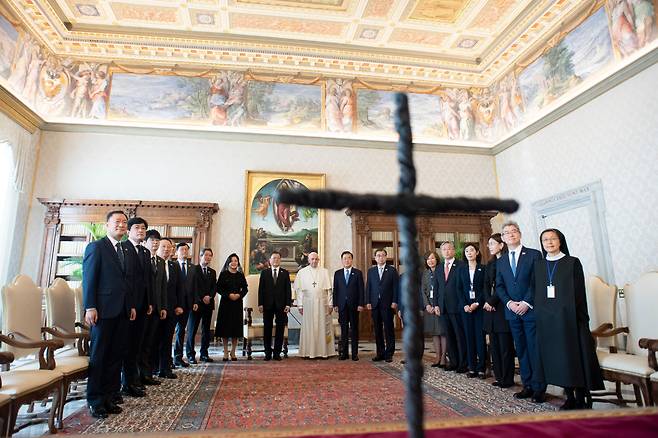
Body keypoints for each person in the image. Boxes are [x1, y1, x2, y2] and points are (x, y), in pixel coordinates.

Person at [534, 228, 604, 410]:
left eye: (553, 239)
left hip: (571, 321)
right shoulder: (539, 266)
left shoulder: (572, 262)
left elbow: (579, 294)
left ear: (560, 241)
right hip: (549, 323)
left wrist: (575, 317)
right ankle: (570, 396)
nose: (549, 243)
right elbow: (538, 294)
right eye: (545, 240)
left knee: (574, 357)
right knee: (559, 359)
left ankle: (581, 396)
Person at [82, 210, 136, 419]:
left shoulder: (124, 250)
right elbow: (89, 279)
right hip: (102, 311)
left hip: (122, 310)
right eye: (117, 222)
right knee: (100, 356)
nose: (121, 226)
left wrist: (130, 305)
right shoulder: (97, 247)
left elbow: (126, 282)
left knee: (116, 355)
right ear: (107, 225)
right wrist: (90, 306)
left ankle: (110, 396)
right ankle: (95, 400)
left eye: (124, 223)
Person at [496, 221, 545, 403]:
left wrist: (526, 302)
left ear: (519, 233)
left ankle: (539, 387)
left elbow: (536, 281)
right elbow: (500, 286)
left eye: (514, 231)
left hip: (530, 310)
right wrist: (509, 303)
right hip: (512, 312)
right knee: (521, 349)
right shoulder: (501, 261)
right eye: (507, 233)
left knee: (534, 348)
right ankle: (528, 385)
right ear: (502, 238)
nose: (511, 235)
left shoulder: (534, 255)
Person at [121, 217, 151, 398]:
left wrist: (148, 303)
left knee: (137, 346)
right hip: (128, 307)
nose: (141, 231)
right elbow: (126, 281)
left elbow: (146, 281)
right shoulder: (123, 249)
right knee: (127, 346)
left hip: (142, 306)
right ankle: (126, 383)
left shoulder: (145, 252)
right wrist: (131, 304)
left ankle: (134, 381)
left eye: (144, 228)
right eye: (137, 228)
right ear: (129, 230)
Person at [483, 233, 515, 388]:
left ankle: (508, 379)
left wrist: (493, 300)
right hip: (490, 309)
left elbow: (504, 285)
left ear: (501, 245)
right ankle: (499, 376)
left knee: (505, 346)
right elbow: (485, 285)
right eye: (489, 244)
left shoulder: (507, 261)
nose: (489, 246)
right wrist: (488, 301)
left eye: (492, 243)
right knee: (494, 345)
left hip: (503, 306)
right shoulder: (490, 264)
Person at [295, 252, 336, 358]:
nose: (314, 261)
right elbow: (299, 291)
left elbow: (329, 291)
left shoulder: (324, 272)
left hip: (323, 303)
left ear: (319, 260)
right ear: (308, 260)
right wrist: (300, 305)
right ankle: (308, 352)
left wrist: (330, 304)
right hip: (308, 303)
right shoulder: (302, 272)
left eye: (316, 259)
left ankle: (323, 352)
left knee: (322, 327)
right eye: (312, 259)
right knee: (309, 327)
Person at [140, 229, 167, 385]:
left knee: (151, 343)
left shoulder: (161, 261)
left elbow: (162, 286)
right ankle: (138, 375)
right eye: (153, 240)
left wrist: (162, 306)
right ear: (146, 242)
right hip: (144, 308)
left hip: (157, 309)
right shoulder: (142, 259)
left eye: (158, 240)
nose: (155, 243)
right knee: (141, 343)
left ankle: (148, 374)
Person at [435, 241, 467, 373]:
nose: (446, 252)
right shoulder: (439, 267)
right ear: (441, 252)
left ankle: (463, 363)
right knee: (449, 335)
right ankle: (453, 362)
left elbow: (464, 286)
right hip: (443, 307)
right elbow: (436, 287)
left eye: (449, 249)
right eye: (444, 250)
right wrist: (436, 304)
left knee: (460, 335)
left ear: (453, 251)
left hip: (457, 306)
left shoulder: (461, 265)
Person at [458, 244, 487, 378]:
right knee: (469, 337)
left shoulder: (483, 269)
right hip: (466, 309)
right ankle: (472, 367)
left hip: (479, 308)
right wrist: (464, 305)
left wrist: (476, 303)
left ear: (477, 253)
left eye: (472, 250)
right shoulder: (461, 269)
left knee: (479, 337)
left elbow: (484, 289)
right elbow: (459, 289)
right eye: (467, 251)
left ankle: (481, 368)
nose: (469, 253)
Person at [366, 249, 399, 363]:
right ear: (375, 258)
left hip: (388, 304)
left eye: (383, 256)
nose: (380, 258)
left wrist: (395, 301)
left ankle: (389, 354)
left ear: (386, 257)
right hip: (375, 304)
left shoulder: (392, 270)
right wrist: (368, 301)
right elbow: (369, 287)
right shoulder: (371, 271)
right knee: (377, 329)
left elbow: (396, 287)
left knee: (389, 329)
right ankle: (380, 353)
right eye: (378, 256)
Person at [258, 251, 292, 361]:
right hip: (267, 305)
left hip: (281, 305)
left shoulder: (285, 273)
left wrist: (288, 304)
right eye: (273, 258)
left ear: (280, 260)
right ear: (270, 260)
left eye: (277, 258)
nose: (275, 260)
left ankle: (277, 353)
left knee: (280, 329)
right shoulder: (264, 273)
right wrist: (260, 304)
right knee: (267, 328)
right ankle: (267, 352)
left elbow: (288, 290)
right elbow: (261, 290)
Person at [157, 238, 182, 378]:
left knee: (167, 340)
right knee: (154, 340)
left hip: (171, 308)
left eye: (169, 247)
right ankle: (153, 367)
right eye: (164, 246)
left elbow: (179, 288)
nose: (166, 249)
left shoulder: (174, 266)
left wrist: (179, 305)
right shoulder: (154, 264)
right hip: (156, 309)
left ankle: (165, 368)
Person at [332, 251, 365, 361]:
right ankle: (344, 353)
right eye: (345, 258)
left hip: (354, 306)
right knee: (344, 330)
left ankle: (355, 353)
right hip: (342, 306)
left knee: (354, 330)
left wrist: (361, 303)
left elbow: (361, 290)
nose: (347, 260)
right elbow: (335, 290)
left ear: (352, 260)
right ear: (342, 260)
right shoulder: (338, 273)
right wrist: (335, 304)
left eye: (349, 258)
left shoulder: (358, 273)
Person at [186, 248, 217, 363]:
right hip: (196, 304)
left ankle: (204, 354)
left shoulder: (212, 271)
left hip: (208, 304)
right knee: (192, 330)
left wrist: (210, 296)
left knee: (206, 331)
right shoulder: (194, 269)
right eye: (206, 255)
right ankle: (190, 354)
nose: (208, 257)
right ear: (201, 256)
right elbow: (193, 287)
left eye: (210, 255)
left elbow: (215, 287)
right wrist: (201, 297)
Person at [216, 253, 248, 361]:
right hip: (225, 303)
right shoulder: (223, 274)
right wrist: (229, 295)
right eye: (232, 260)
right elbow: (219, 288)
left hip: (237, 304)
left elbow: (245, 289)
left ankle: (233, 352)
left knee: (235, 329)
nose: (234, 263)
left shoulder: (240, 275)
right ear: (228, 262)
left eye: (236, 261)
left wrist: (239, 295)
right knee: (225, 329)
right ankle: (225, 351)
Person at [421, 251, 447, 368]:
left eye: (432, 258)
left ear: (437, 259)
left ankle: (443, 357)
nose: (430, 261)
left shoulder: (442, 271)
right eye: (428, 259)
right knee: (434, 333)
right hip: (430, 307)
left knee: (443, 332)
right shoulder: (425, 274)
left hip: (440, 306)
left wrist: (438, 305)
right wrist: (427, 305)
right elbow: (423, 291)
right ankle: (437, 356)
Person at [174, 242, 196, 368]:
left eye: (186, 250)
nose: (184, 252)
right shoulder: (173, 265)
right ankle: (168, 358)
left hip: (187, 304)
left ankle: (178, 357)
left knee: (181, 331)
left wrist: (194, 302)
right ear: (176, 252)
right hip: (174, 304)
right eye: (182, 249)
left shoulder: (192, 267)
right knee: (170, 331)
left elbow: (195, 286)